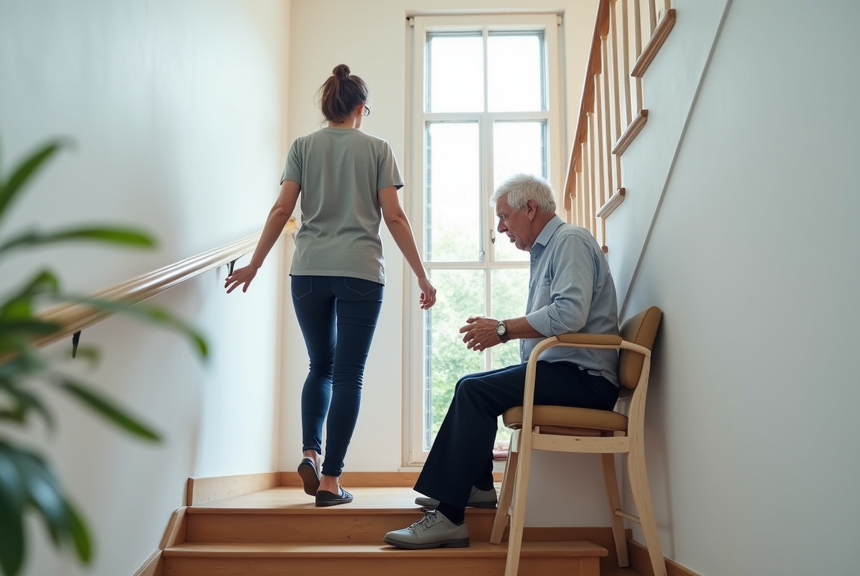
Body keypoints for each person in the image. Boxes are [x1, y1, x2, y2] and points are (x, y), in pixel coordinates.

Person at [225, 64, 436, 507]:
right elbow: (394, 217)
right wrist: (420, 273)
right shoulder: (378, 149)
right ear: (360, 108)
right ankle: (331, 482)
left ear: (328, 107)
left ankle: (309, 453)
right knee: (348, 374)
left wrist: (255, 265)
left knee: (319, 365)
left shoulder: (302, 147)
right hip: (359, 271)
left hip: (307, 271)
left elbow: (281, 211)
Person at [383, 173, 619, 548]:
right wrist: (506, 332)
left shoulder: (569, 241)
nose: (500, 228)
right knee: (467, 386)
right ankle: (477, 487)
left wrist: (504, 329)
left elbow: (570, 314)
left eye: (504, 216)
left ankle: (449, 516)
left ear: (530, 208)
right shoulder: (548, 251)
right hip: (566, 372)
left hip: (586, 379)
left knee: (476, 391)